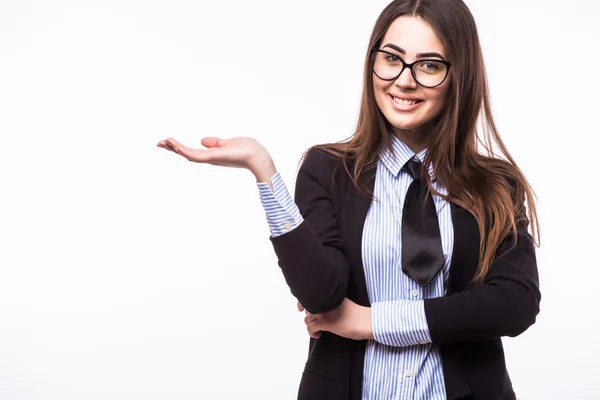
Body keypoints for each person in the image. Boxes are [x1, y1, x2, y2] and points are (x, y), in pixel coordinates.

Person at [157, 0, 541, 398]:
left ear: (459, 76)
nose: (404, 81)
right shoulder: (328, 170)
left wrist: (368, 321)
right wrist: (264, 171)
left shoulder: (496, 184)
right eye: (392, 58)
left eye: (429, 65)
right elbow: (321, 295)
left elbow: (514, 302)